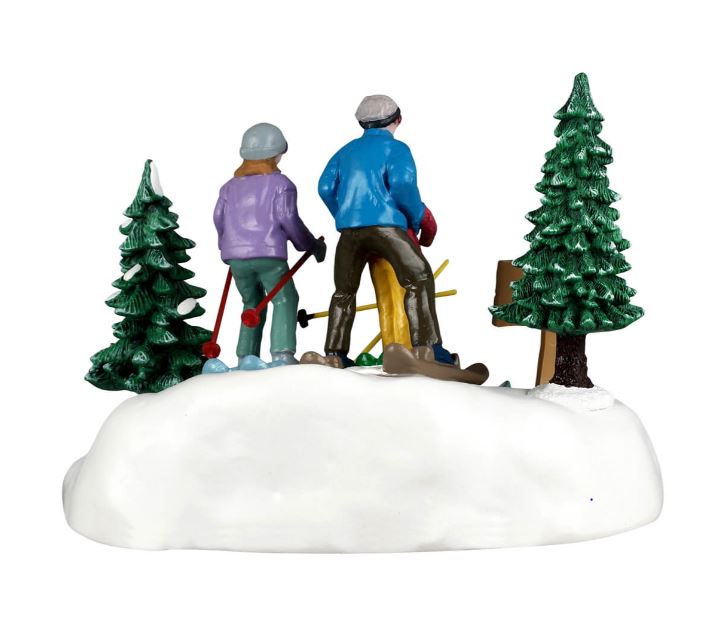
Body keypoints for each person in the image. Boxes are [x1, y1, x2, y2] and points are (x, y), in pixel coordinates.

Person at [309, 94, 454, 368]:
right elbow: (402, 185)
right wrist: (416, 217)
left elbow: (325, 187)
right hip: (388, 229)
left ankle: (334, 353)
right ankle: (427, 348)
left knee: (343, 292)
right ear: (398, 119)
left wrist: (343, 213)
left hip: (350, 233)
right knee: (420, 278)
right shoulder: (397, 149)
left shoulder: (345, 151)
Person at [211, 123, 326, 371]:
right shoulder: (281, 184)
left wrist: (226, 246)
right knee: (284, 298)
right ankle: (282, 354)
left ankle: (245, 356)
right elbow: (288, 219)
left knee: (251, 302)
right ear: (276, 154)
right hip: (269, 253)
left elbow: (218, 218)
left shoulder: (228, 187)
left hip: (236, 257)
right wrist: (308, 245)